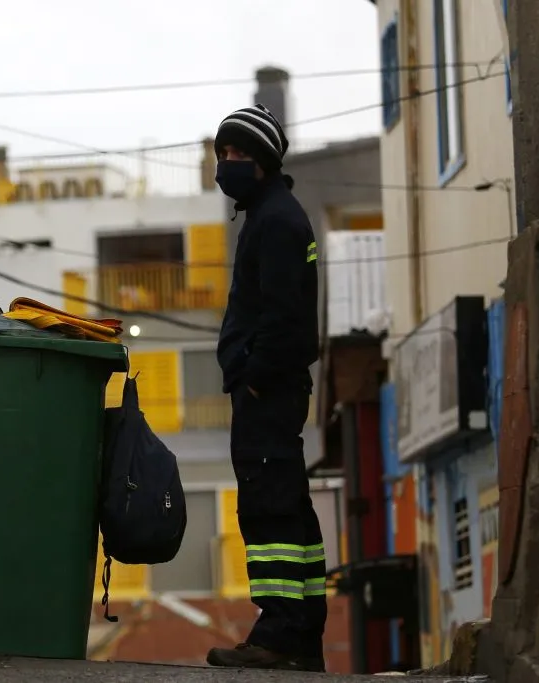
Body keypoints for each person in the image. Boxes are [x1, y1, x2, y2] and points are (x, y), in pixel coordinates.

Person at [206, 103, 326, 672]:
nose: (226, 164)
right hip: (273, 388)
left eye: (237, 155)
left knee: (269, 505)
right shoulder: (269, 214)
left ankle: (279, 633)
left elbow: (282, 317)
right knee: (290, 509)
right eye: (222, 154)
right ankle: (300, 630)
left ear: (264, 160)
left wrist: (253, 379)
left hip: (269, 391)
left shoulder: (276, 220)